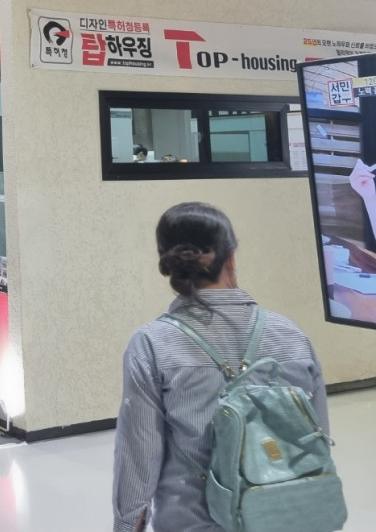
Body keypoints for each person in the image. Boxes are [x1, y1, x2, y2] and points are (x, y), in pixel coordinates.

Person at [113, 202, 329, 532]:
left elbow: (139, 458)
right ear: (231, 259)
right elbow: (318, 440)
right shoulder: (292, 336)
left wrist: (126, 525)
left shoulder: (152, 344)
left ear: (170, 266)